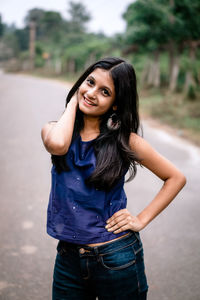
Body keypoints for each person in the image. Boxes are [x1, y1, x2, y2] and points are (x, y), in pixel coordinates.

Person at [41, 57, 186, 300]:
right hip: (68, 259)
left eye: (105, 91)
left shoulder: (125, 142)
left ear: (116, 104)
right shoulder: (54, 130)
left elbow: (175, 177)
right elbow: (57, 144)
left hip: (116, 258)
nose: (92, 93)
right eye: (89, 82)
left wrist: (140, 219)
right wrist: (73, 103)